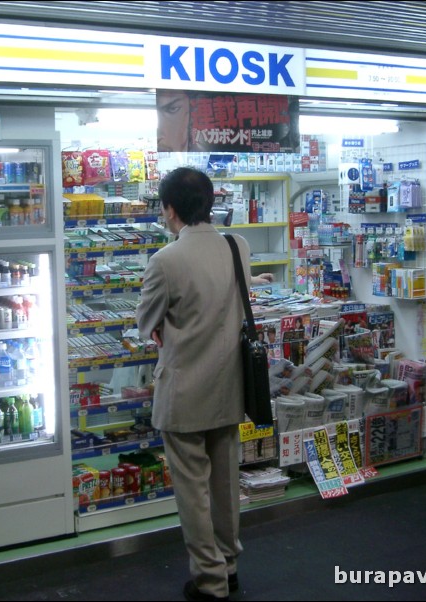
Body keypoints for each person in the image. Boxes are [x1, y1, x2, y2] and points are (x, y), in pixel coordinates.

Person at [136, 167, 249, 601]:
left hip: (184, 391)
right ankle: (230, 564)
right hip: (229, 384)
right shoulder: (236, 245)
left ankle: (210, 579)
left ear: (170, 209)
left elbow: (147, 322)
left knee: (193, 492)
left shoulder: (165, 260)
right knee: (224, 484)